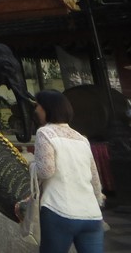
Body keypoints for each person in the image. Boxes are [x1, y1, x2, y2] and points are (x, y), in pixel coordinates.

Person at [33, 89, 105, 253]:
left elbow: (46, 171)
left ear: (46, 108)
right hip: (91, 214)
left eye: (38, 106)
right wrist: (98, 200)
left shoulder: (45, 133)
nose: (36, 110)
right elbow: (94, 177)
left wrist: (32, 166)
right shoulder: (81, 138)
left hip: (59, 210)